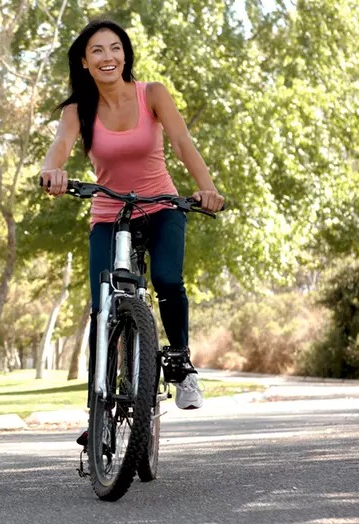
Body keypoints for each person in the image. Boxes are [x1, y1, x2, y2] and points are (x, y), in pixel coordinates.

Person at [39, 19, 224, 411]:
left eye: (115, 48)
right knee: (102, 304)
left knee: (167, 278)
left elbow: (181, 142)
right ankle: (98, 405)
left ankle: (180, 363)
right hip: (109, 212)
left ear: (125, 54)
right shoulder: (77, 111)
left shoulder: (152, 94)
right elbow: (59, 146)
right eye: (97, 51)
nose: (108, 57)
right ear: (85, 62)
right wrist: (52, 171)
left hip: (161, 206)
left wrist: (206, 188)